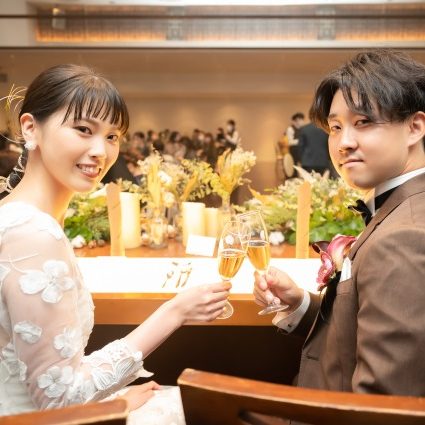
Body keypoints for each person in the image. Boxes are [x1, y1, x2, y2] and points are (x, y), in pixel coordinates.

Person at [0, 64, 230, 422]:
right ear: (31, 128)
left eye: (112, 136)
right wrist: (175, 312)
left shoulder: (21, 216)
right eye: (83, 130)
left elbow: (54, 377)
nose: (101, 151)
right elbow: (60, 401)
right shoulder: (33, 232)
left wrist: (114, 396)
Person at [254, 50, 425, 407]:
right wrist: (301, 304)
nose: (344, 143)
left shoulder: (403, 238)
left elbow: (382, 409)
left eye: (363, 121)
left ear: (415, 127)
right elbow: (357, 333)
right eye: (335, 127)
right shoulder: (399, 208)